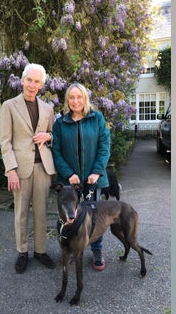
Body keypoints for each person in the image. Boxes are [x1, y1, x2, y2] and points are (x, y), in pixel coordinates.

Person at [0, 63, 57, 274]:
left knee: (41, 213)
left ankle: (40, 251)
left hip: (43, 168)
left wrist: (49, 136)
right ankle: (22, 252)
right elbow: (5, 141)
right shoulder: (9, 106)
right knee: (21, 213)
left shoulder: (48, 108)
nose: (33, 85)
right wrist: (10, 170)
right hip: (20, 169)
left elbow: (53, 135)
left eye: (37, 81)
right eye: (29, 80)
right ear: (22, 80)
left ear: (42, 85)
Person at [52, 82, 111, 271]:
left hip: (92, 180)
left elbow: (104, 145)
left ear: (85, 98)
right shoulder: (60, 123)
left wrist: (97, 171)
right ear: (67, 100)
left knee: (94, 218)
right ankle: (70, 250)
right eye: (71, 97)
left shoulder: (97, 119)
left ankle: (97, 250)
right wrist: (68, 173)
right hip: (70, 183)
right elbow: (56, 151)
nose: (75, 101)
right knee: (69, 217)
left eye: (79, 97)